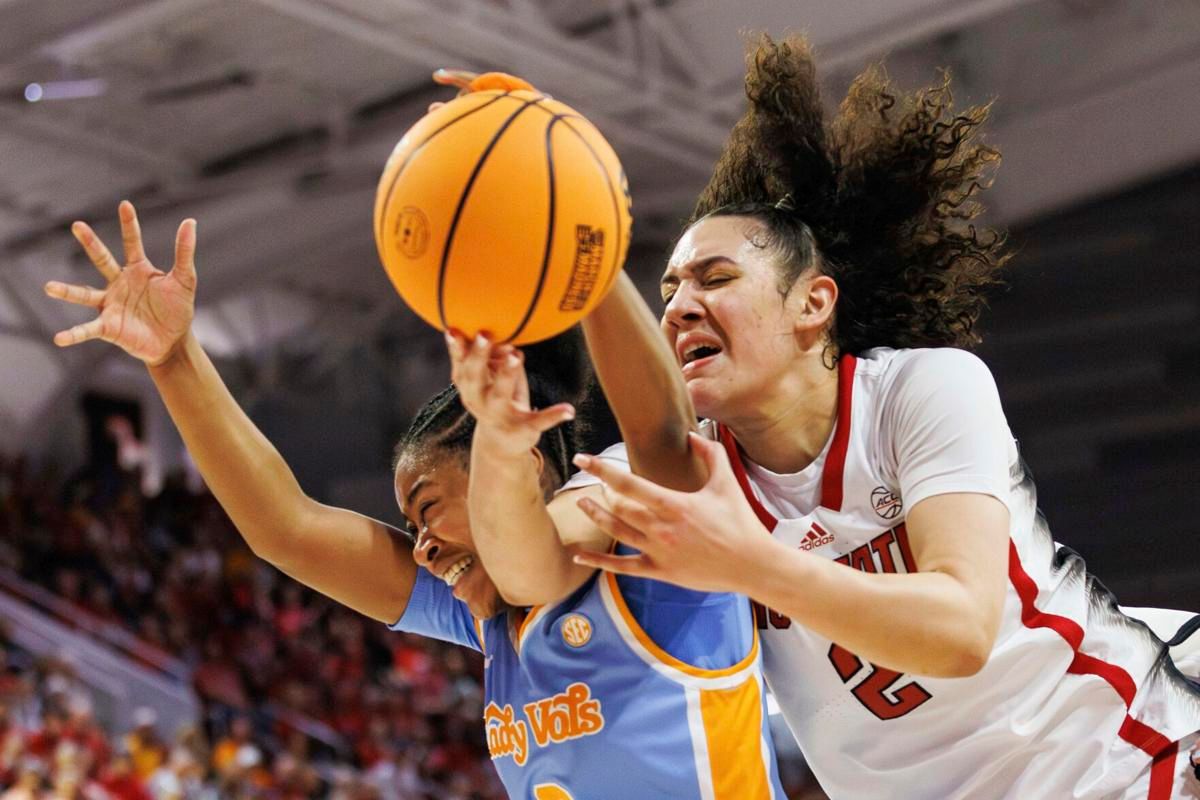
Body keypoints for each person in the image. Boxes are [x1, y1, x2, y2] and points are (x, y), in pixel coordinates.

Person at [41, 76, 785, 796]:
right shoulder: (489, 606)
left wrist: (580, 229)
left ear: (526, 454)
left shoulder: (638, 527)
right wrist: (174, 361)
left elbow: (643, 450)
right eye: (410, 524)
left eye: (427, 509)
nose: (420, 546)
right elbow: (287, 530)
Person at [538, 34, 1200, 799]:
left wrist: (749, 562)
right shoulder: (685, 476)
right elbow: (526, 561)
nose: (682, 306)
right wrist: (559, 251)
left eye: (714, 278)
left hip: (1119, 767)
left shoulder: (920, 390)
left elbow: (959, 629)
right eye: (668, 293)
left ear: (813, 304)